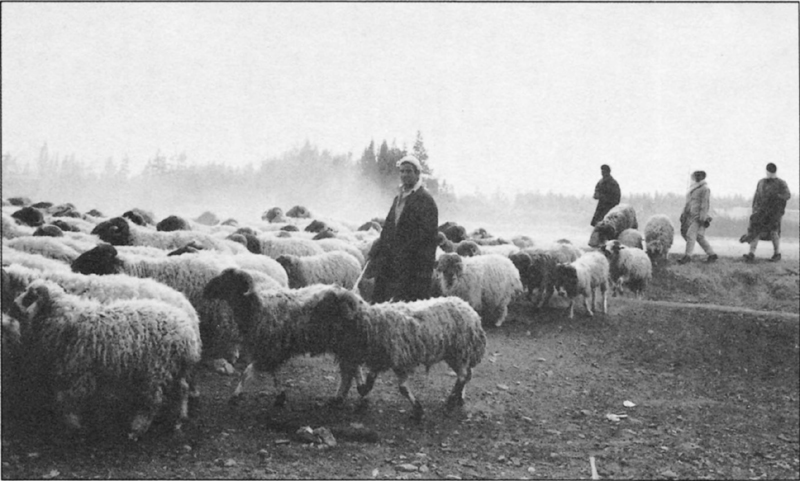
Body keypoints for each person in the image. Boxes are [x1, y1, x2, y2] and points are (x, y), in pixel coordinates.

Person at [369, 154, 439, 303]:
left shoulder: (425, 199)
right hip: (395, 259)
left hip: (415, 264)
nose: (404, 175)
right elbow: (389, 226)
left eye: (409, 171)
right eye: (402, 171)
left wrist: (405, 250)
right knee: (383, 301)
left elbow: (427, 234)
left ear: (417, 174)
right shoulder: (398, 198)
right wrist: (380, 244)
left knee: (410, 306)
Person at [740, 163, 792, 262]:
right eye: (768, 172)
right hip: (761, 211)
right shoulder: (761, 182)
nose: (769, 174)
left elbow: (787, 195)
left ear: (774, 172)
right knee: (755, 231)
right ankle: (751, 253)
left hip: (774, 213)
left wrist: (777, 196)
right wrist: (754, 210)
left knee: (773, 232)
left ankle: (777, 254)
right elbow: (756, 197)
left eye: (771, 172)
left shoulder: (781, 183)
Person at [678, 170, 718, 264]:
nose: (697, 177)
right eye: (696, 175)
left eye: (700, 175)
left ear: (703, 177)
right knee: (699, 237)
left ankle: (687, 256)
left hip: (698, 217)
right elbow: (688, 203)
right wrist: (683, 214)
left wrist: (702, 218)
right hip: (691, 216)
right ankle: (712, 255)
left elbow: (705, 204)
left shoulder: (705, 189)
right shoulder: (693, 189)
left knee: (690, 235)